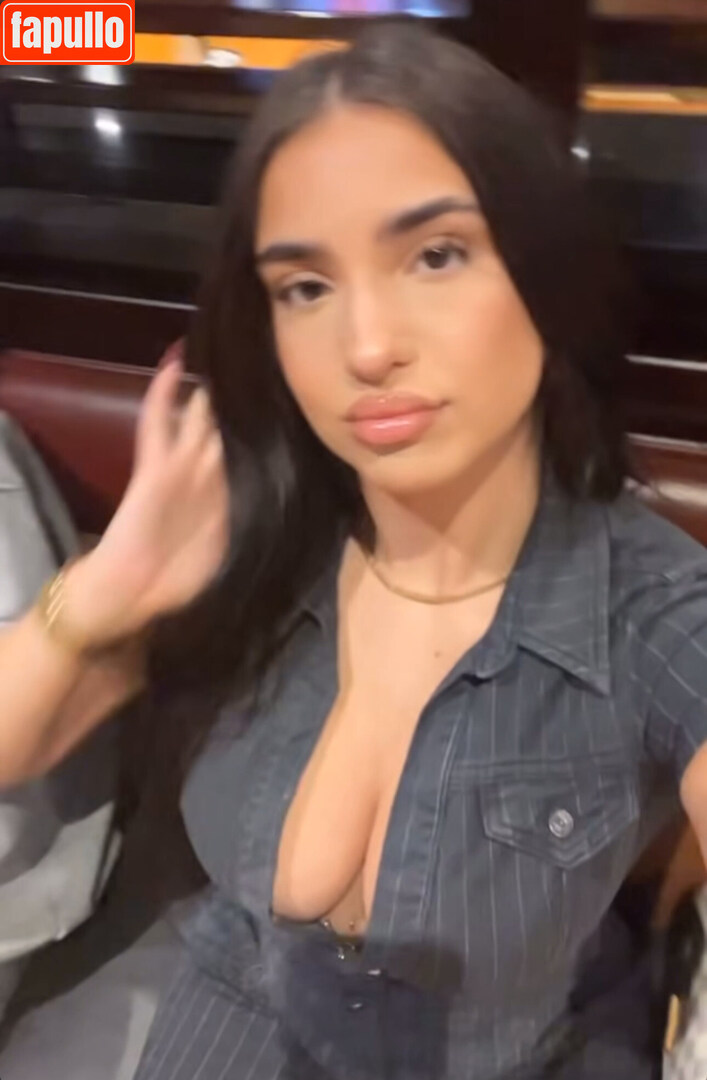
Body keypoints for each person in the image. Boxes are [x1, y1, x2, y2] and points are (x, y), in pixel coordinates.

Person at [2, 22, 707, 1080]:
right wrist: (107, 589)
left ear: (544, 275)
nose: (367, 346)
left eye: (435, 255)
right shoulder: (256, 539)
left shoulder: (651, 610)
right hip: (224, 1029)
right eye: (305, 286)